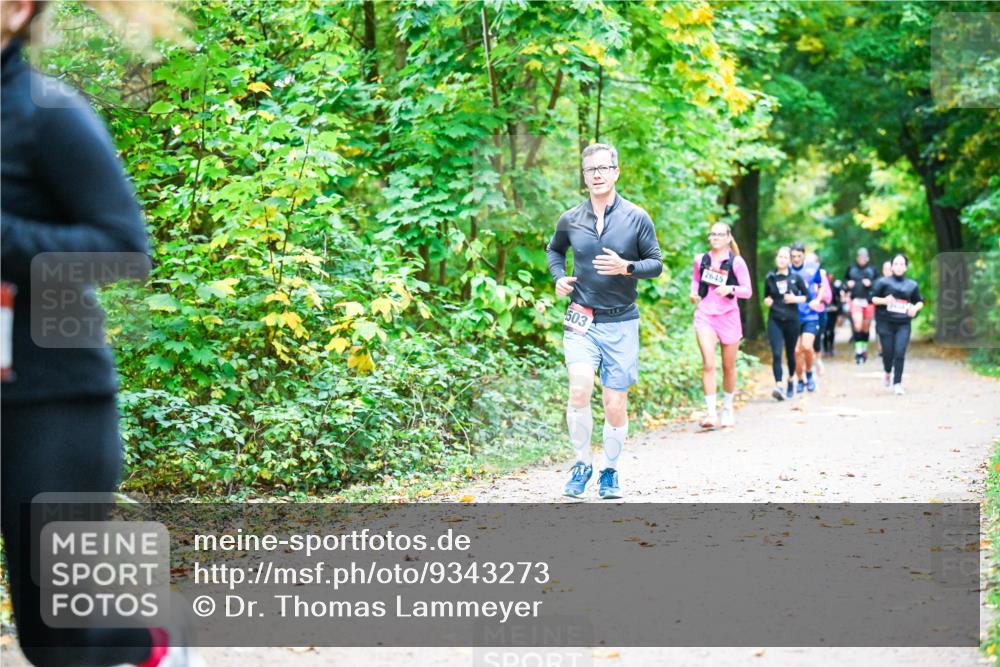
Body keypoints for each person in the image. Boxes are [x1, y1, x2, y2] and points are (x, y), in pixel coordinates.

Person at [1, 2, 195, 666]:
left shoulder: (48, 113)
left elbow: (124, 249)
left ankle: (159, 640)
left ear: (17, 11)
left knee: (57, 641)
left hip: (49, 405)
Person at [547, 142, 663, 500]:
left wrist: (627, 267)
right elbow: (555, 250)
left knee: (614, 405)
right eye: (590, 169)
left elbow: (655, 264)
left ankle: (609, 471)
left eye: (603, 168)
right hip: (581, 320)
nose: (597, 175)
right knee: (579, 389)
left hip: (621, 322)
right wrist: (558, 277)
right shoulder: (570, 218)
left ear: (616, 172)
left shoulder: (636, 217)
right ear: (584, 176)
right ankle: (581, 464)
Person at [689, 222, 752, 427]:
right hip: (705, 315)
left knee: (728, 367)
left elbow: (748, 291)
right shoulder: (701, 259)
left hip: (729, 316)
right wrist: (693, 293)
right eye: (712, 234)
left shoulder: (737, 262)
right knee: (708, 363)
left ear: (728, 237)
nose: (715, 237)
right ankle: (710, 414)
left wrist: (730, 289)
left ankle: (727, 408)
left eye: (720, 234)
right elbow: (696, 280)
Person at [872, 254, 924, 394]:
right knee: (888, 352)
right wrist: (884, 301)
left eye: (902, 264)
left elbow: (920, 301)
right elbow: (873, 298)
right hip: (885, 322)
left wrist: (915, 308)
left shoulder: (912, 285)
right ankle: (887, 371)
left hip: (903, 324)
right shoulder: (883, 282)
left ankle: (897, 383)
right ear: (892, 266)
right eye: (896, 264)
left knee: (900, 352)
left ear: (906, 267)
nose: (899, 267)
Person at [762, 247, 808, 401]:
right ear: (776, 258)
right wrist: (767, 301)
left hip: (792, 320)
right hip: (775, 319)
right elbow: (766, 296)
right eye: (780, 257)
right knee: (776, 353)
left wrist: (795, 299)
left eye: (785, 257)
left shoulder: (796, 277)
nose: (782, 260)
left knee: (790, 353)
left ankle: (790, 379)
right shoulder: (770, 277)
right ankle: (779, 385)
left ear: (789, 260)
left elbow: (807, 296)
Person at [788, 243, 826, 393]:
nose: (796, 259)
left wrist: (818, 299)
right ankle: (800, 379)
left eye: (799, 256)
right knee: (796, 351)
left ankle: (809, 373)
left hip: (810, 314)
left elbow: (821, 286)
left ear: (804, 255)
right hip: (792, 315)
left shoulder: (813, 268)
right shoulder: (786, 270)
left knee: (807, 346)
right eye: (793, 256)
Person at [844, 247, 878, 364]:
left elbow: (879, 284)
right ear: (857, 258)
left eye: (864, 257)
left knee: (865, 327)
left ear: (867, 258)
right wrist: (848, 284)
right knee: (857, 325)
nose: (862, 259)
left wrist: (871, 283)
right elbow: (844, 282)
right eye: (860, 257)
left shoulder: (872, 269)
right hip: (856, 300)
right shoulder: (851, 269)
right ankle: (858, 352)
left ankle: (864, 349)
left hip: (868, 301)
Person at [807, 252, 833, 375]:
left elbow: (828, 297)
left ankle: (817, 360)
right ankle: (809, 364)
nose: (810, 265)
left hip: (819, 311)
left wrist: (818, 295)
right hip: (804, 312)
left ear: (817, 263)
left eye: (812, 262)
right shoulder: (801, 274)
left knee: (816, 338)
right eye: (808, 262)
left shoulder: (822, 275)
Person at [873, 259, 892, 357]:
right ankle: (882, 349)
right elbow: (872, 298)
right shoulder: (878, 283)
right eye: (886, 269)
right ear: (883, 270)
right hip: (881, 314)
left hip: (895, 316)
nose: (888, 271)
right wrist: (884, 300)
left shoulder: (901, 283)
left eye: (890, 269)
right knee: (881, 333)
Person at [823, 278, 843, 356]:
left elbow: (839, 300)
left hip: (833, 312)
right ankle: (825, 349)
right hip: (824, 312)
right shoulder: (821, 286)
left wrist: (839, 312)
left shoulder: (835, 287)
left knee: (831, 331)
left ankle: (831, 347)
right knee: (824, 331)